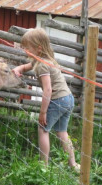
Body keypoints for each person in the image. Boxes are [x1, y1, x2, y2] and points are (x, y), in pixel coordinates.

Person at [13, 28, 80, 172]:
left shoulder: (42, 65)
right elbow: (27, 66)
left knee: (43, 129)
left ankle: (44, 166)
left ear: (38, 48)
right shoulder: (46, 59)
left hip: (57, 100)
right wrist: (19, 68)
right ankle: (73, 164)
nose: (25, 50)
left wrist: (43, 112)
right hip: (68, 99)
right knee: (62, 132)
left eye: (27, 48)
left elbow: (48, 89)